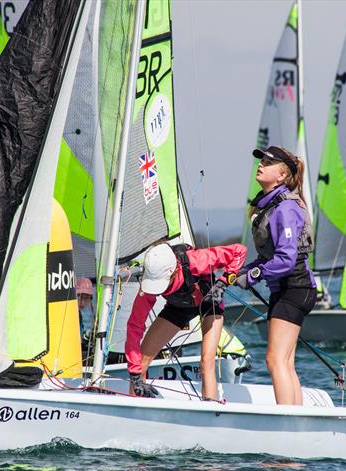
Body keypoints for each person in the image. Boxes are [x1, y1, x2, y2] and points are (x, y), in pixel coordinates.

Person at [236, 145, 316, 405]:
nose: (261, 164)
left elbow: (285, 259)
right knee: (286, 362)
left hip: (295, 288)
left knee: (274, 359)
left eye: (268, 162)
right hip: (286, 290)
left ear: (282, 175)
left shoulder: (285, 208)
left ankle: (288, 421)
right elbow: (270, 257)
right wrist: (244, 272)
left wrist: (253, 275)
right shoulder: (270, 205)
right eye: (261, 161)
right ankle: (297, 418)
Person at [125, 242, 247, 399]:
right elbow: (134, 326)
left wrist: (222, 283)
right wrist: (135, 376)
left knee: (206, 363)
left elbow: (239, 251)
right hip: (179, 308)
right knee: (141, 362)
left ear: (175, 271)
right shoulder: (148, 283)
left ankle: (209, 412)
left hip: (209, 302)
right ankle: (136, 410)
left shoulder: (196, 260)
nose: (158, 288)